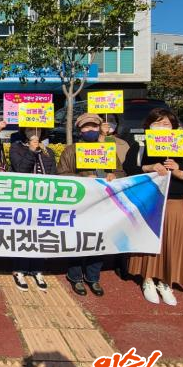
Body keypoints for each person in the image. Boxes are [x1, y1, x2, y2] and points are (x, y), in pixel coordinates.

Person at [123, 108, 183, 306]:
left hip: (175, 202)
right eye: (157, 123)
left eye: (166, 124)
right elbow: (128, 169)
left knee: (171, 241)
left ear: (174, 128)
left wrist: (178, 171)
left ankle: (165, 281)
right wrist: (148, 168)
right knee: (149, 239)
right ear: (148, 126)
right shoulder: (140, 145)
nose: (162, 127)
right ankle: (147, 279)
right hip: (149, 201)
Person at [58, 113, 125, 297]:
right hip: (81, 204)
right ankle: (75, 276)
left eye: (94, 127)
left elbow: (121, 172)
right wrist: (83, 178)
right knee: (78, 240)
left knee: (99, 240)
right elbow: (61, 175)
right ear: (80, 130)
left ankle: (93, 277)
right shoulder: (71, 150)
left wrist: (114, 175)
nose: (90, 130)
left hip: (104, 203)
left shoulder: (107, 150)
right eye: (86, 127)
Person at [9, 126, 56, 291]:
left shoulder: (49, 151)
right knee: (23, 234)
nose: (34, 132)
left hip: (43, 200)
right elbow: (20, 169)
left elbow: (54, 175)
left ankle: (37, 269)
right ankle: (19, 269)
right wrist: (31, 151)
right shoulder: (16, 148)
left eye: (37, 129)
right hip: (23, 201)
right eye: (29, 129)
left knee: (40, 235)